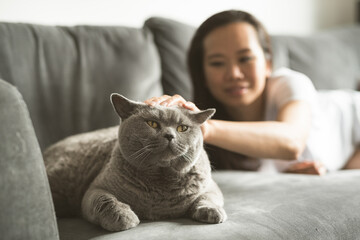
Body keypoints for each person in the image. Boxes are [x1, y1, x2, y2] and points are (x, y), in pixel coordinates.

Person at [145, 10, 360, 175]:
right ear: (203, 75)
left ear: (268, 63)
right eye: (217, 63)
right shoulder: (216, 141)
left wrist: (202, 126)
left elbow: (292, 142)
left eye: (245, 58)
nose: (234, 74)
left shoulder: (290, 82)